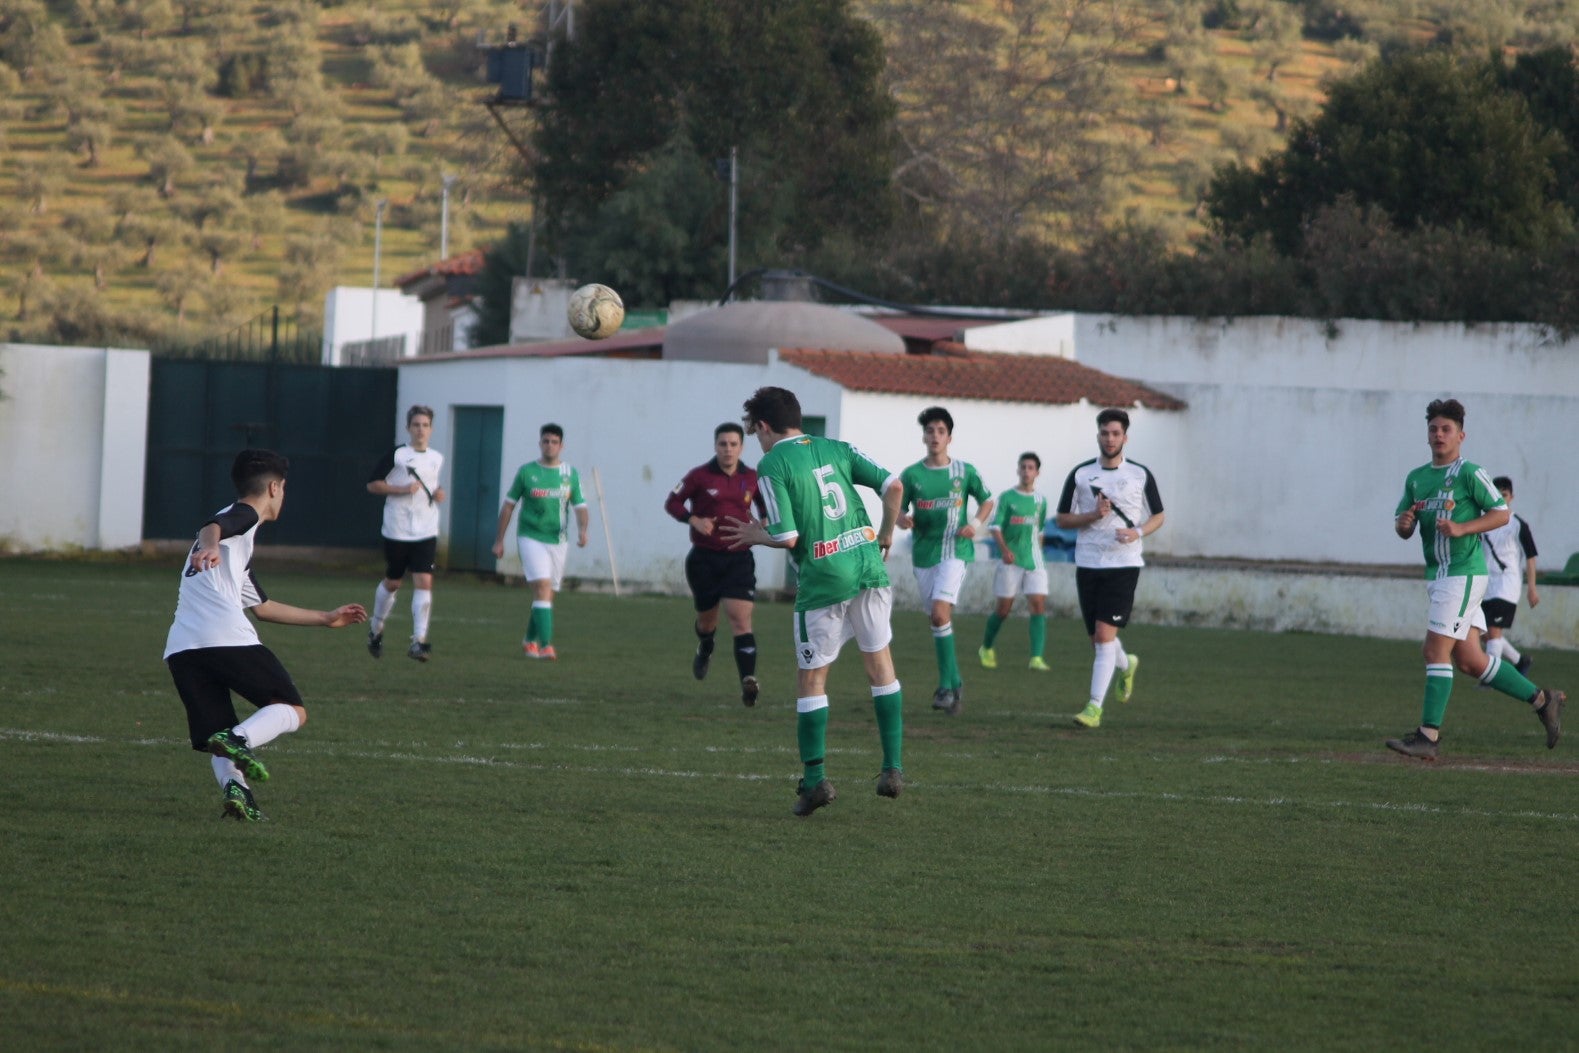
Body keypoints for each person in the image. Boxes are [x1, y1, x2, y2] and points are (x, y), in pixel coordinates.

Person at [718, 386, 905, 817]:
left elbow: (787, 537)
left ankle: (816, 780)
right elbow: (894, 486)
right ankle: (892, 767)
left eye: (755, 432)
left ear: (764, 427)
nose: (757, 442)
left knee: (812, 678)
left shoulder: (772, 463)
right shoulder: (836, 447)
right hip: (868, 567)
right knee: (880, 668)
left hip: (824, 579)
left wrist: (756, 534)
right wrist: (886, 532)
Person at [164, 449, 367, 822]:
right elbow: (213, 525)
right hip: (223, 635)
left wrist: (326, 617)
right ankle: (241, 742)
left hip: (181, 648)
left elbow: (263, 607)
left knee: (218, 734)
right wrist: (209, 544)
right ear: (274, 487)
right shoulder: (241, 516)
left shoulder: (238, 547)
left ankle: (236, 790)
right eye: (284, 488)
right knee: (293, 710)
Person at [1386, 400, 1563, 759]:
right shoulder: (1417, 478)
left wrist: (1464, 527)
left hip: (1462, 575)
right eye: (1433, 428)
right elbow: (1403, 524)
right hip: (1439, 576)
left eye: (1446, 429)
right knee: (1469, 660)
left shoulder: (1470, 473)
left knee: (1434, 650)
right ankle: (1542, 700)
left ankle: (1428, 737)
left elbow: (1502, 513)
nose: (1439, 434)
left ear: (1460, 435)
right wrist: (1403, 525)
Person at [1055, 408, 1164, 729]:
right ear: (1098, 435)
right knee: (1098, 640)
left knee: (1103, 637)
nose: (1110, 438)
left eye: (1116, 433)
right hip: (1088, 564)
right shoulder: (1080, 474)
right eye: (1105, 433)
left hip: (1124, 564)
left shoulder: (1140, 474)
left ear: (1125, 438)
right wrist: (1092, 515)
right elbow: (1063, 518)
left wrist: (1138, 532)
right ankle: (1126, 663)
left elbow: (1159, 515)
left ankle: (1093, 708)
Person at [897, 406, 993, 716]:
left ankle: (944, 686)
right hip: (923, 553)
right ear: (923, 436)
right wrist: (901, 519)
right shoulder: (912, 475)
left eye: (940, 431)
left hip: (956, 551)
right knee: (938, 620)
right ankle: (956, 683)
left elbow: (987, 499)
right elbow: (895, 508)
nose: (934, 436)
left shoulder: (964, 472)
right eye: (929, 431)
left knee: (939, 614)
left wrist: (975, 526)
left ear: (949, 437)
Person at [664, 422, 767, 705]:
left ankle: (748, 680)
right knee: (707, 622)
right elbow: (672, 502)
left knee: (741, 620)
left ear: (741, 447)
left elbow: (766, 508)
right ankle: (706, 646)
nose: (728, 449)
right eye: (723, 444)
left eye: (733, 444)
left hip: (739, 559)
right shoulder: (699, 476)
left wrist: (764, 528)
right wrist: (693, 519)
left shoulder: (752, 477)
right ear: (715, 446)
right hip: (704, 560)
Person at [492, 423, 589, 659]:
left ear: (561, 446)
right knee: (543, 588)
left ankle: (528, 641)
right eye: (546, 441)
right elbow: (508, 506)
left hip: (558, 540)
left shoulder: (570, 474)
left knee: (546, 594)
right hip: (530, 537)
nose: (550, 446)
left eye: (554, 442)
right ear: (540, 444)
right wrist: (499, 540)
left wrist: (583, 530)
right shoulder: (527, 472)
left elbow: (580, 506)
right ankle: (546, 645)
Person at [365, 404, 445, 662]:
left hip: (426, 529)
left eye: (425, 425)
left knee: (424, 580)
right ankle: (376, 629)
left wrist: (438, 492)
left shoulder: (436, 457)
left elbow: (432, 485)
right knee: (394, 581)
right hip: (398, 529)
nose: (420, 430)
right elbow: (373, 484)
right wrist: (400, 490)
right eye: (416, 425)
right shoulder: (398, 455)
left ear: (431, 429)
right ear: (408, 428)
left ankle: (418, 641)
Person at [980, 452, 1051, 672]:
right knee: (1003, 609)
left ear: (1037, 472)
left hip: (1035, 562)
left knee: (1038, 605)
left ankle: (1036, 658)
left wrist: (1039, 552)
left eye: (1031, 468)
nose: (1027, 471)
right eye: (1024, 467)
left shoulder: (1041, 501)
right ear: (1018, 470)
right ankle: (986, 647)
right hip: (1010, 561)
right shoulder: (1007, 498)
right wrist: (1004, 550)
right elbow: (995, 527)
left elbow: (1040, 530)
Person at [1480, 475, 1539, 677]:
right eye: (1496, 494)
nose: (1500, 498)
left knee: (1494, 632)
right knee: (1483, 633)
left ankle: (1491, 676)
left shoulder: (1518, 525)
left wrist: (1532, 587)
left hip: (1506, 585)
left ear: (1511, 497)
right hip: (1484, 584)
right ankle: (1520, 661)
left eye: (1504, 495)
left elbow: (1531, 557)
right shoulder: (1483, 522)